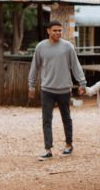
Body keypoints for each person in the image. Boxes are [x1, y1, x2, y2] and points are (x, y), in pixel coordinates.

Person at [28, 20, 87, 160]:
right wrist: (31, 85)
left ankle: (69, 144)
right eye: (55, 30)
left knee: (66, 118)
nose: (58, 33)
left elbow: (75, 66)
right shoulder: (40, 47)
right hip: (47, 89)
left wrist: (82, 82)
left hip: (64, 89)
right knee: (46, 119)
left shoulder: (68, 47)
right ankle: (48, 149)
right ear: (48, 31)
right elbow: (34, 67)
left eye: (60, 30)